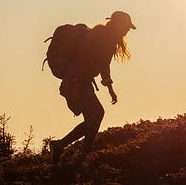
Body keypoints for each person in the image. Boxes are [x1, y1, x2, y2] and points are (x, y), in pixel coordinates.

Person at [49, 11, 136, 164]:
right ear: (118, 24)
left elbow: (104, 67)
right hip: (77, 82)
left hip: (81, 82)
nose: (128, 30)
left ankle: (82, 155)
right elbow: (82, 62)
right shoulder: (103, 38)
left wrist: (110, 90)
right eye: (126, 27)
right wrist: (76, 87)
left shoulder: (107, 39)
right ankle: (61, 146)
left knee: (94, 117)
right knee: (96, 115)